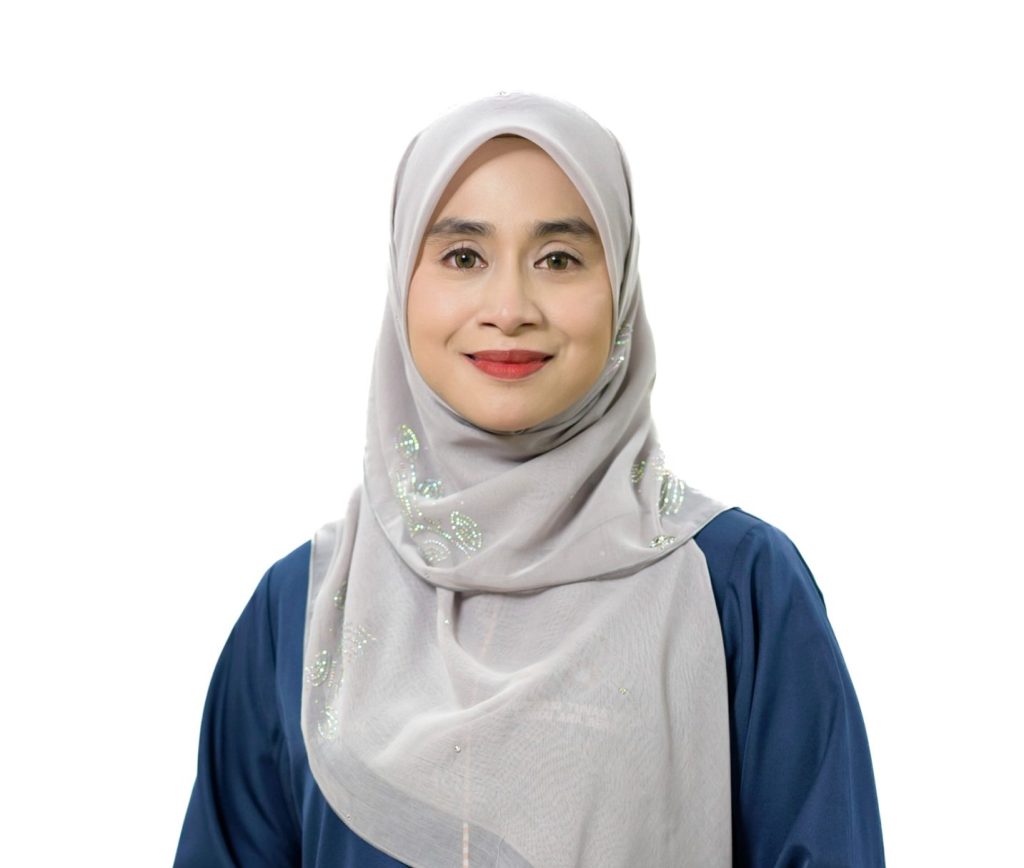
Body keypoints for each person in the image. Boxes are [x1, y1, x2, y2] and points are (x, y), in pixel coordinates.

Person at [174, 92, 885, 867]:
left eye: (559, 259)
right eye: (463, 257)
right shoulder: (305, 609)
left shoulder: (737, 587)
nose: (509, 308)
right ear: (402, 281)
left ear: (621, 285)